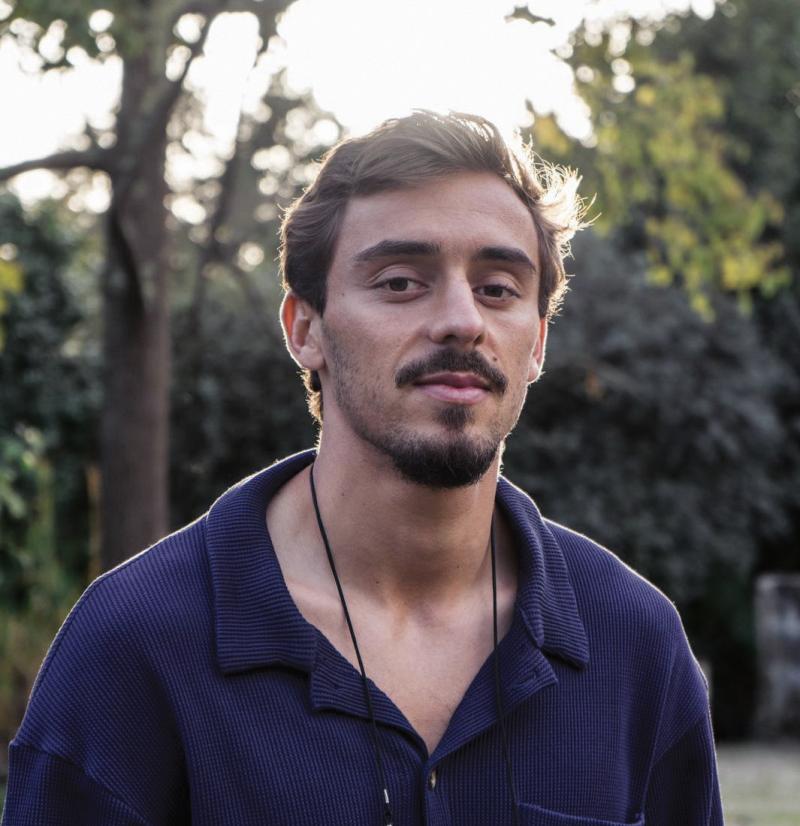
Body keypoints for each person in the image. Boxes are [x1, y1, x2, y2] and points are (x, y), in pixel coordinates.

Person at [2, 111, 723, 826]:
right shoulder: (133, 646)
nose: (462, 319)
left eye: (498, 287)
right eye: (401, 282)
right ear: (304, 328)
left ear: (536, 343)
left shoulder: (636, 645)